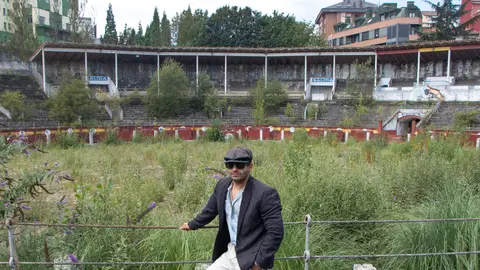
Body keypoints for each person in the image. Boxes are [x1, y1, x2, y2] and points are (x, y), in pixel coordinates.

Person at [180, 146, 284, 270]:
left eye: (239, 165)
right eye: (230, 165)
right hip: (231, 252)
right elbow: (210, 211)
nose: (234, 169)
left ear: (250, 166)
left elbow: (276, 232)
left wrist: (258, 264)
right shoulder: (222, 186)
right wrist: (192, 224)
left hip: (252, 257)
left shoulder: (265, 193)